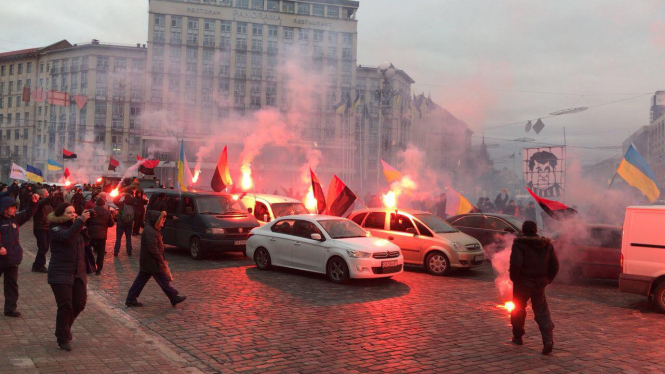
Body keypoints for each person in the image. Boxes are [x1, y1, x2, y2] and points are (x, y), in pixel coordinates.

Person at [509, 220, 559, 355]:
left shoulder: (519, 244)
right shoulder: (546, 245)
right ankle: (548, 340)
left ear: (523, 231)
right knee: (542, 311)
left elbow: (516, 263)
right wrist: (547, 280)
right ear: (536, 230)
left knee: (518, 309)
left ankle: (518, 336)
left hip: (522, 283)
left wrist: (514, 279)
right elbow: (555, 266)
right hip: (539, 284)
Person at [47, 203, 91, 351]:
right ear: (60, 214)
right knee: (65, 306)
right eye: (69, 213)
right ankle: (63, 337)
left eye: (74, 212)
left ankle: (63, 329)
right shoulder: (55, 227)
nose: (73, 215)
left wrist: (83, 226)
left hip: (78, 272)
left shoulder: (76, 226)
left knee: (79, 304)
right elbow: (67, 238)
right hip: (60, 272)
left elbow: (86, 242)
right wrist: (79, 222)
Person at [125, 210, 187, 308]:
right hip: (151, 262)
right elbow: (153, 249)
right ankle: (173, 297)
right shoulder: (150, 231)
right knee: (162, 280)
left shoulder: (153, 230)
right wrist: (161, 261)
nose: (163, 222)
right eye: (162, 220)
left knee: (141, 280)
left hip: (149, 261)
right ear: (156, 220)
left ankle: (131, 298)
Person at [0, 193, 39, 317]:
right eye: (13, 207)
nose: (15, 210)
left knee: (11, 284)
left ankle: (10, 308)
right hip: (0, 258)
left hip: (12, 258)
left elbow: (28, 213)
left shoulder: (15, 219)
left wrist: (33, 203)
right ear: (5, 208)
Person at [86, 198, 115, 275]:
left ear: (96, 203)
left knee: (88, 250)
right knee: (100, 252)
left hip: (91, 234)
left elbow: (85, 222)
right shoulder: (107, 213)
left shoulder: (90, 211)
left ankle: (89, 266)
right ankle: (98, 268)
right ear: (103, 204)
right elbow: (111, 224)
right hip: (102, 235)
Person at [31, 188, 54, 273]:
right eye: (46, 193)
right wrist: (51, 195)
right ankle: (38, 265)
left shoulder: (49, 206)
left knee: (45, 247)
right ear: (41, 195)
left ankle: (39, 264)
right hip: (40, 228)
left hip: (47, 227)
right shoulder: (38, 203)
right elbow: (43, 202)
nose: (47, 195)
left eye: (48, 193)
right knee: (43, 247)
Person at [113, 192, 136, 257]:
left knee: (118, 238)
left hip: (121, 223)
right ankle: (129, 251)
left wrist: (120, 195)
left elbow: (114, 201)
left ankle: (116, 251)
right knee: (128, 238)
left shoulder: (122, 204)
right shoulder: (133, 204)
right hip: (129, 223)